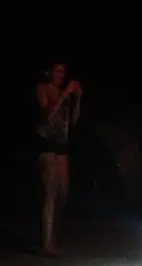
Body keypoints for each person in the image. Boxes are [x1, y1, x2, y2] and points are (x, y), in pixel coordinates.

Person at [34, 62, 82, 256]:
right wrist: (63, 95)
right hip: (46, 145)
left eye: (63, 72)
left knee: (64, 193)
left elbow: (73, 121)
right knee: (50, 192)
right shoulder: (42, 89)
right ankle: (46, 244)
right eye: (58, 71)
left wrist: (77, 99)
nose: (61, 76)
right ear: (49, 72)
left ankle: (52, 236)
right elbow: (47, 115)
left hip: (62, 146)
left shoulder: (66, 94)